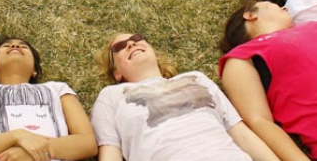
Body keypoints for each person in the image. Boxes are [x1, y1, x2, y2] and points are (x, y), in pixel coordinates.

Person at [219, 0, 317, 161]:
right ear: (250, 15)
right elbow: (259, 121)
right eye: (272, 5)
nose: (285, 7)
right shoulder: (243, 56)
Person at [90, 32, 281, 161]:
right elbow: (110, 152)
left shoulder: (196, 78)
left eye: (137, 38)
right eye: (120, 47)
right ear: (116, 72)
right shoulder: (111, 96)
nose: (131, 43)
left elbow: (241, 134)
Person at [0, 37, 97, 161]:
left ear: (34, 70)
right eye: (7, 46)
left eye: (23, 47)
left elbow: (87, 143)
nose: (15, 46)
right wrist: (16, 136)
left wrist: (32, 153)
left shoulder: (58, 89)